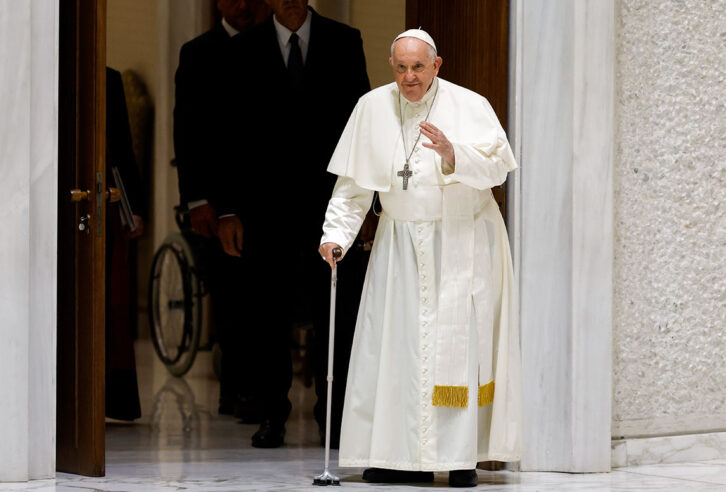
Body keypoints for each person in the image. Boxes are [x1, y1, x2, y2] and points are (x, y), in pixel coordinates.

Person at [318, 29, 522, 487]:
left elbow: (499, 167)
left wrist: (453, 154)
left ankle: (459, 457)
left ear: (437, 65)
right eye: (401, 67)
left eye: (419, 67)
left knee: (460, 349)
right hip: (399, 247)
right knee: (397, 350)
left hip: (462, 241)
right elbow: (353, 187)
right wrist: (336, 237)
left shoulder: (471, 105)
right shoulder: (371, 107)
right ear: (392, 66)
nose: (410, 77)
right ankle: (392, 457)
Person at [215, 0, 371, 448]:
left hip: (330, 205)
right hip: (264, 207)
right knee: (268, 314)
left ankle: (334, 415)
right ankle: (271, 414)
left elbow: (360, 128)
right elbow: (226, 132)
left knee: (335, 311)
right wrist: (227, 210)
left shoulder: (344, 41)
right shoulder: (244, 48)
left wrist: (360, 206)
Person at [173, 0, 271, 419]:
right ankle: (236, 389)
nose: (243, 5)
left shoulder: (271, 47)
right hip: (214, 198)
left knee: (265, 296)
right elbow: (188, 130)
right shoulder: (198, 53)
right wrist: (198, 200)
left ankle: (266, 389)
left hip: (264, 194)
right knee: (230, 297)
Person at [105, 67, 147, 421]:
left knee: (111, 302)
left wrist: (135, 208)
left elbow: (122, 149)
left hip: (104, 201)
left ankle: (112, 399)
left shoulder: (108, 79)